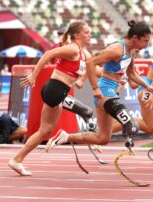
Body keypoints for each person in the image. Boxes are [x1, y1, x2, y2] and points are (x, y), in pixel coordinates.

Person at [46, 21, 153, 151]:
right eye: (145, 41)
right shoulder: (117, 49)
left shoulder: (131, 51)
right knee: (132, 126)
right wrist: (94, 88)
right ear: (135, 38)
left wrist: (148, 86)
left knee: (102, 138)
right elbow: (90, 62)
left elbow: (131, 74)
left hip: (110, 92)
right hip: (105, 92)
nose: (146, 45)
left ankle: (66, 137)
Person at [8, 20, 93, 176]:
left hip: (57, 92)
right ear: (76, 35)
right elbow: (48, 54)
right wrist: (34, 75)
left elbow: (94, 67)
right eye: (87, 32)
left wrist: (117, 77)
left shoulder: (84, 53)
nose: (90, 35)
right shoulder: (72, 49)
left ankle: (17, 160)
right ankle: (72, 137)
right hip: (55, 90)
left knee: (45, 130)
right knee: (86, 112)